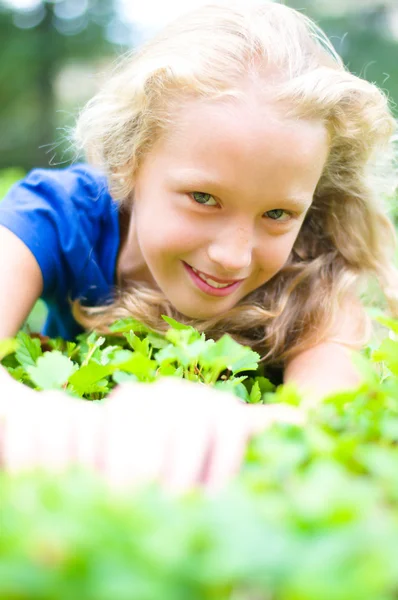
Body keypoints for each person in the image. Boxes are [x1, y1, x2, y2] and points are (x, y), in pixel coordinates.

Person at [0, 0, 397, 493]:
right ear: (128, 160)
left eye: (277, 214)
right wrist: (102, 429)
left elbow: (327, 421)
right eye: (204, 198)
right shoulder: (56, 217)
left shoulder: (316, 266)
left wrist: (211, 427)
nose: (233, 256)